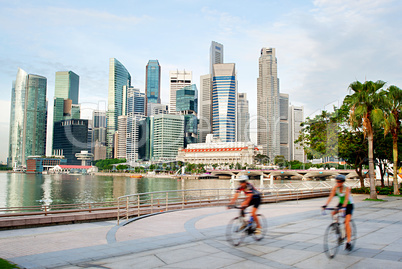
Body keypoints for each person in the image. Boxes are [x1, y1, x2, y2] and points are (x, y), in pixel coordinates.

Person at [322, 174, 354, 251]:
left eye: (339, 181)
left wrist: (343, 207)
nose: (338, 183)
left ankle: (348, 242)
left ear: (342, 182)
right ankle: (337, 228)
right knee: (333, 213)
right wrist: (325, 205)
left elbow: (346, 199)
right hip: (340, 204)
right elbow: (331, 197)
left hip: (349, 205)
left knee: (346, 223)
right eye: (337, 181)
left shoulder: (346, 189)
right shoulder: (335, 188)